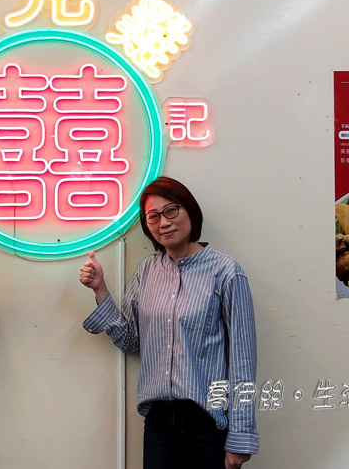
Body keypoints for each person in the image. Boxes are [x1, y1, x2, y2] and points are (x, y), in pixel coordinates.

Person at [79, 176, 258, 469]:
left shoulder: (226, 272)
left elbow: (242, 361)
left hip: (208, 423)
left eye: (171, 210)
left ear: (190, 210)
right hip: (159, 423)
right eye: (153, 216)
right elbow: (130, 340)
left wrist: (241, 438)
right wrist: (100, 289)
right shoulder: (146, 272)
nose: (164, 222)